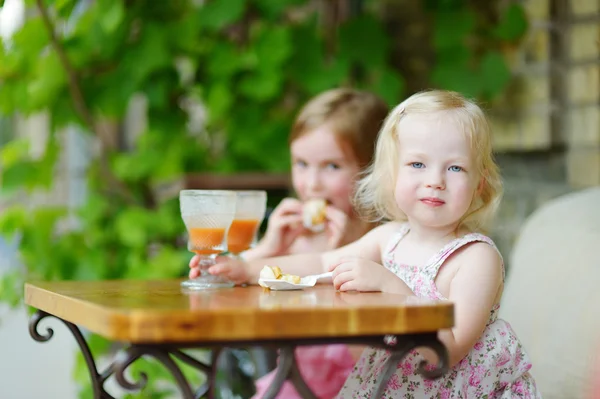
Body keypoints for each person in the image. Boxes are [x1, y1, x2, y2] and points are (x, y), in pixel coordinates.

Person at [193, 89, 541, 397]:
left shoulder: (476, 258)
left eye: (455, 169)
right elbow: (319, 264)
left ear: (479, 184)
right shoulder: (389, 238)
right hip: (392, 386)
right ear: (393, 177)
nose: (434, 181)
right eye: (418, 164)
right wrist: (247, 268)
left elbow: (446, 352)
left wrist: (391, 288)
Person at [191, 88, 389, 398]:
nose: (311, 184)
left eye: (332, 166)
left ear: (372, 169)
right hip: (292, 385)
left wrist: (335, 254)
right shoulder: (294, 243)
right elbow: (217, 295)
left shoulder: (384, 241)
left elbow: (376, 349)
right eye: (301, 164)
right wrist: (268, 250)